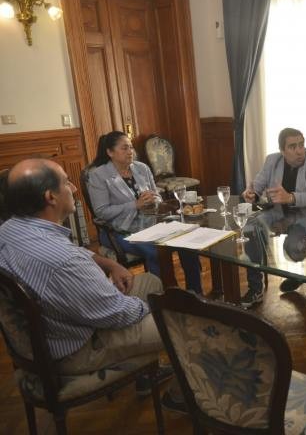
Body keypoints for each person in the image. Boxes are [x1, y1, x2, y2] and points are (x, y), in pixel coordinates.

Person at [0, 158, 186, 412]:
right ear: (50, 197)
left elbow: (70, 254)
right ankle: (179, 397)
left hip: (47, 334)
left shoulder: (11, 229)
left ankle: (145, 374)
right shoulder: (63, 262)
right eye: (67, 182)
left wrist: (110, 264)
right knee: (184, 323)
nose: (74, 188)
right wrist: (154, 307)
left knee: (150, 281)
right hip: (77, 350)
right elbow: (117, 314)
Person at [87, 131, 203, 293]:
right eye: (124, 148)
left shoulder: (142, 168)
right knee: (156, 252)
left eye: (131, 147)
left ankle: (195, 293)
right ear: (110, 152)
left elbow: (158, 197)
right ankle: (167, 296)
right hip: (119, 231)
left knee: (186, 242)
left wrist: (154, 198)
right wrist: (135, 204)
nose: (130, 152)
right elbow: (101, 212)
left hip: (150, 224)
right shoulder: (98, 176)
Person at [240, 128, 306, 306]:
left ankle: (299, 275)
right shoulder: (272, 160)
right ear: (282, 150)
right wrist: (251, 193)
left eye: (301, 145)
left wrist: (290, 198)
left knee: (293, 244)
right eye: (293, 147)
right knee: (250, 227)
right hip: (279, 213)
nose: (299, 150)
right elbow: (256, 187)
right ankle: (255, 288)